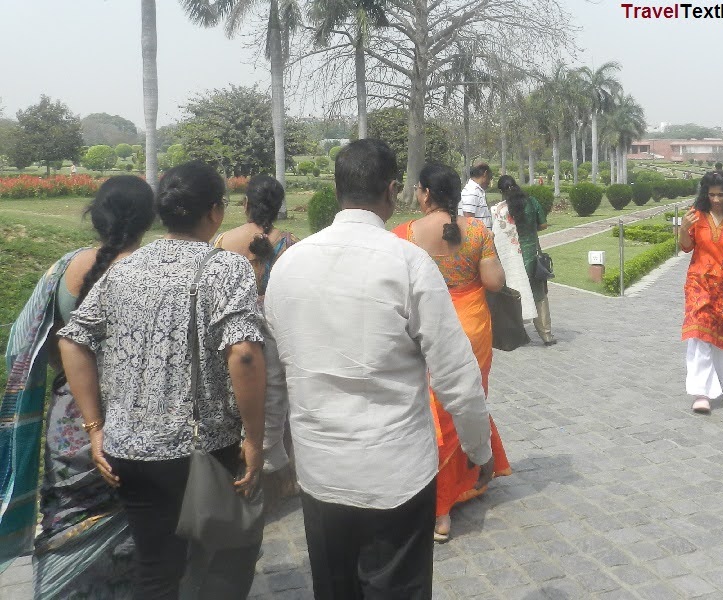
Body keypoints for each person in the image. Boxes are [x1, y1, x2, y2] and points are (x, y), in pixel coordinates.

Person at [265, 140, 495, 599]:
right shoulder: (407, 262)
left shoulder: (289, 264)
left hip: (321, 469)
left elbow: (273, 377)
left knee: (334, 589)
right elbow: (456, 377)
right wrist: (478, 450)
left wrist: (272, 451)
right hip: (395, 474)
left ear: (334, 190)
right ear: (392, 191)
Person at [57, 160, 266, 599]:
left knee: (155, 568)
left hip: (127, 450)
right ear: (214, 211)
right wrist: (254, 437)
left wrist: (95, 428)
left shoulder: (125, 267)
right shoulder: (224, 268)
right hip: (200, 450)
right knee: (227, 554)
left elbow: (73, 340)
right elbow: (244, 354)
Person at [2, 176, 155, 598]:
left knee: (64, 519)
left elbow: (20, 341)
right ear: (148, 218)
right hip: (138, 413)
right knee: (136, 524)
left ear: (97, 214)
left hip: (72, 420)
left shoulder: (64, 268)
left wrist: (63, 365)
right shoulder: (152, 273)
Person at [394, 164, 512, 543]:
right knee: (463, 402)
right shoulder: (477, 231)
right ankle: (462, 484)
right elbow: (494, 282)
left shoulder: (405, 234)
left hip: (425, 326)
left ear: (425, 194)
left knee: (431, 411)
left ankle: (438, 507)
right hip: (471, 327)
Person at [213, 175, 299, 508]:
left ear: (245, 204)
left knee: (235, 393)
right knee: (276, 395)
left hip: (232, 331)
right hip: (276, 329)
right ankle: (276, 470)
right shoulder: (290, 243)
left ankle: (240, 468)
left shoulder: (222, 241)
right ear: (278, 207)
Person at [679, 172, 723, 414]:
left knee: (722, 333)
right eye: (711, 195)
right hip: (698, 282)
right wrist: (683, 228)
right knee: (698, 333)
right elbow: (686, 247)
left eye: (720, 195)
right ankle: (701, 392)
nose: (716, 199)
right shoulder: (695, 215)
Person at [495, 175, 557, 345]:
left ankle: (518, 334)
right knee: (539, 295)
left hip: (512, 259)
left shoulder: (500, 210)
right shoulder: (532, 202)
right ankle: (546, 334)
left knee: (514, 295)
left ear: (501, 192)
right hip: (532, 256)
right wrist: (530, 229)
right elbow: (543, 225)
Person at [459, 162, 493, 228]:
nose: (489, 182)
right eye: (489, 178)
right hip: (476, 237)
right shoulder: (471, 191)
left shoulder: (476, 191)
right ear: (485, 174)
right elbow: (468, 220)